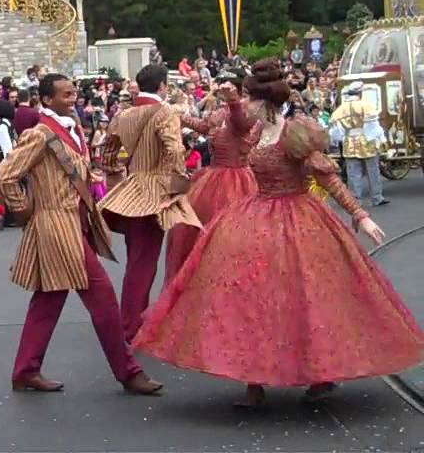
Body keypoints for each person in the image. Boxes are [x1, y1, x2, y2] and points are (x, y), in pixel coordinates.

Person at [134, 59, 423, 408]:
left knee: (307, 297)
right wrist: (226, 104)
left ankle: (319, 373)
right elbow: (234, 124)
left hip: (300, 219)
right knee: (250, 297)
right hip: (256, 216)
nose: (245, 104)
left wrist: (360, 215)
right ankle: (253, 381)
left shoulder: (293, 133)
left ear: (264, 102)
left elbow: (327, 177)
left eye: (249, 98)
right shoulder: (258, 131)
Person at [0, 74, 163, 395]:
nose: (73, 98)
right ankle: (128, 372)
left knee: (49, 299)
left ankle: (25, 369)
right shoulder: (40, 134)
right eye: (66, 94)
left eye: (73, 93)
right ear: (47, 100)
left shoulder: (69, 129)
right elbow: (5, 177)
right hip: (59, 227)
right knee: (103, 298)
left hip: (75, 223)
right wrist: (28, 211)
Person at [97, 64, 201, 342]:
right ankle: (131, 324)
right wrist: (177, 183)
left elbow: (107, 151)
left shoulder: (123, 114)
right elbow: (174, 150)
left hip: (131, 186)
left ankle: (132, 319)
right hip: (154, 190)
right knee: (144, 261)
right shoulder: (164, 113)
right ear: (163, 86)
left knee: (136, 256)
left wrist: (117, 172)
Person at [165, 74, 259, 284]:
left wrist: (233, 101)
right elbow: (205, 126)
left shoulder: (246, 113)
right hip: (213, 176)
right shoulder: (221, 112)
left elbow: (241, 124)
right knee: (199, 231)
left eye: (228, 88)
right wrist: (180, 116)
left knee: (232, 232)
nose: (222, 91)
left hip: (237, 179)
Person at [329, 82, 389, 208]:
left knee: (353, 173)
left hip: (350, 142)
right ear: (360, 93)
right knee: (373, 170)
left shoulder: (340, 109)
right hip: (367, 140)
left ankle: (356, 199)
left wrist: (342, 139)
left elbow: (336, 130)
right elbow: (373, 126)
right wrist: (381, 139)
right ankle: (377, 197)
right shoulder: (366, 106)